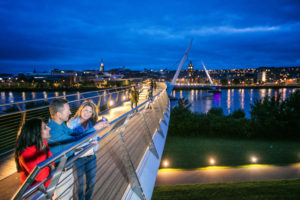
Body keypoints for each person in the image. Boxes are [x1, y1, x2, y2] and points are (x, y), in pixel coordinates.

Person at [47, 98, 106, 200]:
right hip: (61, 171)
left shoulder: (61, 125)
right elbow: (75, 141)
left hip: (68, 166)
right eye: (67, 110)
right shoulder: (53, 131)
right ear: (59, 114)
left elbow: (75, 135)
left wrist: (94, 128)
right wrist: (94, 129)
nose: (70, 112)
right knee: (66, 196)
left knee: (70, 195)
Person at [68, 101, 108, 200]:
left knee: (92, 183)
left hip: (91, 157)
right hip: (78, 158)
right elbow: (72, 141)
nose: (87, 113)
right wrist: (88, 144)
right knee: (79, 185)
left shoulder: (92, 123)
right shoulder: (72, 123)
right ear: (81, 110)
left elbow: (96, 139)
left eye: (90, 112)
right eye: (85, 110)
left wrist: (96, 143)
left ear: (92, 114)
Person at [15, 118, 53, 188]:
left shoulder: (43, 142)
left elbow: (51, 160)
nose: (49, 128)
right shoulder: (26, 153)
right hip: (33, 193)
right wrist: (50, 166)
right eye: (45, 128)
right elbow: (42, 177)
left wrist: (49, 166)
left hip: (47, 186)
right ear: (37, 133)